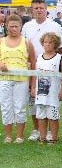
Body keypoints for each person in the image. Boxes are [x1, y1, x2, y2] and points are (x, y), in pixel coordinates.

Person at [21, 0, 62, 142]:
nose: (39, 10)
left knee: (51, 101)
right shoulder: (27, 26)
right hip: (35, 68)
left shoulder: (55, 26)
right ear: (31, 10)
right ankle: (37, 130)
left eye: (41, 8)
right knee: (34, 101)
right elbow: (24, 47)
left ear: (46, 9)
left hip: (52, 69)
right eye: (36, 8)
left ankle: (51, 132)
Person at [0, 14, 36, 144]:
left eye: (16, 26)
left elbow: (33, 63)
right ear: (6, 26)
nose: (13, 29)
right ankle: (8, 136)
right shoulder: (1, 41)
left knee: (20, 107)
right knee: (6, 107)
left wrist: (32, 84)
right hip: (4, 79)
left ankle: (20, 136)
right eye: (11, 26)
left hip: (21, 80)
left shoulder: (27, 42)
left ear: (21, 27)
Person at [32, 32, 62, 144]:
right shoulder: (39, 58)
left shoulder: (59, 58)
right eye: (45, 42)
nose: (47, 44)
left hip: (53, 93)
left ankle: (53, 138)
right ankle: (42, 138)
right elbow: (34, 74)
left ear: (55, 44)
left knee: (53, 116)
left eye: (50, 42)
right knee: (41, 116)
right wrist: (33, 87)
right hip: (40, 93)